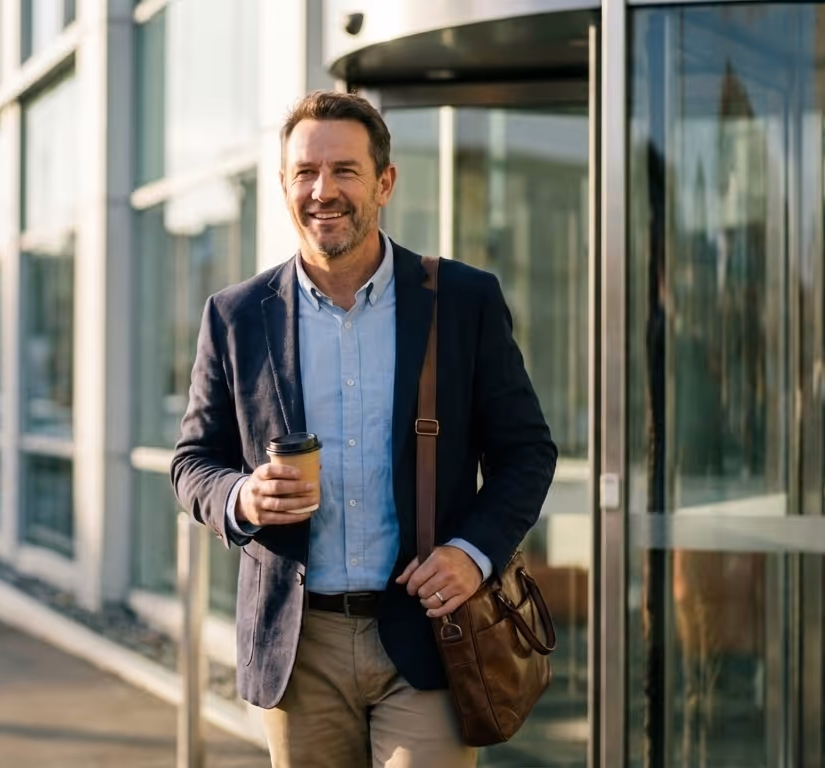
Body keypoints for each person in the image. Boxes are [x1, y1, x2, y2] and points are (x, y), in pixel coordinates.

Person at [170, 90, 557, 767]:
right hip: (297, 644)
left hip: (433, 636)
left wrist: (473, 552)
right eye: (305, 173)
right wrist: (241, 498)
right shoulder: (234, 316)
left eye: (344, 170)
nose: (324, 191)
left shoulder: (463, 300)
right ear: (285, 185)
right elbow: (194, 461)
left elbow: (527, 452)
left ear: (385, 182)